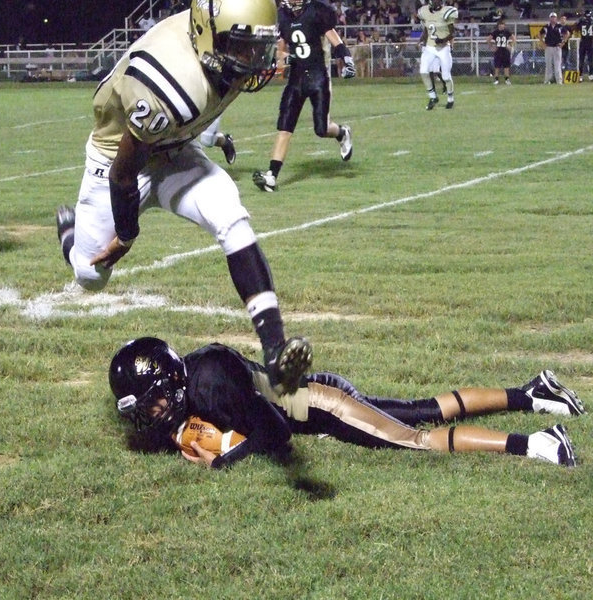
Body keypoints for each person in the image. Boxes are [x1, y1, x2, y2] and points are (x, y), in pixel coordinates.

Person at [54, 0, 312, 394]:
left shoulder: (216, 45)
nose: (251, 59)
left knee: (228, 210)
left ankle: (275, 349)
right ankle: (71, 238)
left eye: (257, 46)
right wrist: (125, 236)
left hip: (174, 150)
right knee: (89, 275)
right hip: (118, 164)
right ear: (209, 35)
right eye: (241, 46)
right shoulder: (169, 81)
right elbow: (124, 174)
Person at [110, 337, 585, 469]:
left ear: (170, 383)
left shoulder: (211, 381)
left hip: (325, 406)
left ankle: (537, 444)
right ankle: (533, 393)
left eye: (150, 404)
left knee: (417, 439)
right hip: (315, 397)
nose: (150, 415)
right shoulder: (197, 375)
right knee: (424, 409)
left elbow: (274, 433)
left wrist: (223, 462)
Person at [252, 0, 355, 194]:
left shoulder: (316, 10)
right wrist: (284, 57)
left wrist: (347, 59)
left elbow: (335, 39)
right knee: (284, 128)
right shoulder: (282, 16)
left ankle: (341, 133)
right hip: (296, 80)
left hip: (318, 78)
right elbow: (279, 53)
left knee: (321, 129)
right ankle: (271, 176)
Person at [417, 0, 458, 110]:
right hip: (430, 47)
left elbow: (453, 33)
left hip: (443, 48)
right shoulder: (424, 12)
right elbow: (426, 29)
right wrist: (421, 40)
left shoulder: (446, 12)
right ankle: (433, 97)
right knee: (423, 71)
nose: (437, 2)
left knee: (446, 76)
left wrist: (443, 40)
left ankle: (450, 98)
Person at [540, 13, 567, 84]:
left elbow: (566, 34)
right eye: (552, 17)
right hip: (548, 47)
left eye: (554, 17)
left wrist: (563, 42)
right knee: (548, 64)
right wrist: (542, 43)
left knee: (557, 65)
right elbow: (540, 34)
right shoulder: (546, 27)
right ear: (550, 18)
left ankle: (559, 81)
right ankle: (547, 80)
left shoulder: (560, 26)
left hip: (557, 47)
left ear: (556, 18)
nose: (553, 19)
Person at [487, 17, 515, 85]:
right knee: (497, 66)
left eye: (502, 24)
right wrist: (491, 46)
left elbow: (513, 38)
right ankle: (496, 79)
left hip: (505, 50)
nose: (501, 26)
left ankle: (507, 79)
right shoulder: (495, 32)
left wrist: (510, 45)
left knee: (506, 66)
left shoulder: (507, 31)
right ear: (498, 25)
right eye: (500, 24)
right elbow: (488, 39)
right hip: (498, 50)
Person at [576, 10, 593, 81]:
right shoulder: (591, 21)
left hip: (583, 42)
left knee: (581, 60)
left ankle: (580, 76)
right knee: (590, 60)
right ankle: (591, 75)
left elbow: (576, 28)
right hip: (590, 42)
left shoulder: (581, 21)